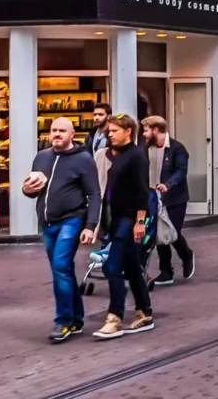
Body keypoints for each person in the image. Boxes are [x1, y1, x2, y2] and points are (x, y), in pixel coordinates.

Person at [22, 118, 100, 343]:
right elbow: (33, 189)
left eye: (62, 131)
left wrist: (90, 225)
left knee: (60, 266)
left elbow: (94, 194)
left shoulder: (83, 159)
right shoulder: (42, 156)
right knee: (62, 269)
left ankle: (63, 321)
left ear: (72, 133)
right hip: (47, 222)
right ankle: (76, 318)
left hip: (72, 220)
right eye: (54, 130)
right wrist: (26, 189)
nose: (57, 134)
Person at [92, 114, 154, 340]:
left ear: (128, 131)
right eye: (109, 131)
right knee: (131, 268)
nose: (110, 134)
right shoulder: (119, 155)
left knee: (112, 267)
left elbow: (141, 192)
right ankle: (144, 312)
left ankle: (115, 317)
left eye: (114, 131)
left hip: (129, 220)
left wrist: (140, 222)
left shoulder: (137, 156)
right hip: (117, 219)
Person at [142, 116, 194, 286]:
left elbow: (181, 171)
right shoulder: (145, 148)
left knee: (173, 232)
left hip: (174, 199)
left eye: (146, 130)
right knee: (159, 234)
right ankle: (166, 271)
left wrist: (168, 185)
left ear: (155, 130)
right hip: (152, 198)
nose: (144, 134)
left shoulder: (177, 149)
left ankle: (186, 254)